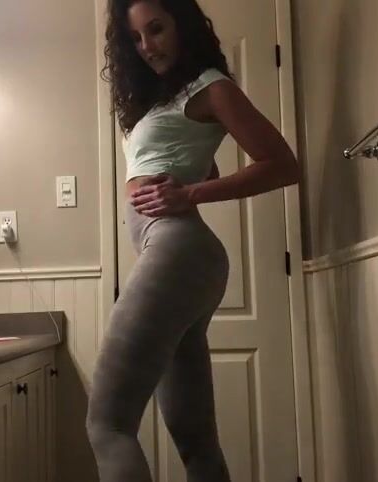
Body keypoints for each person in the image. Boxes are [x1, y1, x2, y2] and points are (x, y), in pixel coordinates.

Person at [86, 0, 300, 480]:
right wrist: (191, 176)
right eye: (136, 38)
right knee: (196, 441)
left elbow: (283, 165)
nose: (147, 46)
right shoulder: (165, 98)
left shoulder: (211, 86)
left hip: (177, 252)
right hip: (183, 258)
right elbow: (207, 165)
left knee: (107, 424)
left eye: (156, 29)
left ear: (182, 24)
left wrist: (190, 193)